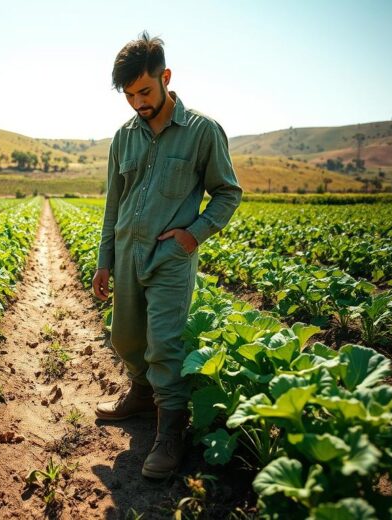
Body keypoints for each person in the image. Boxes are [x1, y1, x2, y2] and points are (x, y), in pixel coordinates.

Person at [92, 31, 242, 479]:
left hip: (170, 259)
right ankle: (140, 396)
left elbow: (227, 194)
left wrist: (192, 235)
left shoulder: (202, 132)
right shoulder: (124, 137)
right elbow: (113, 204)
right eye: (129, 95)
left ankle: (169, 433)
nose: (138, 102)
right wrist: (104, 260)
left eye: (145, 91)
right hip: (126, 254)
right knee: (124, 339)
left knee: (165, 346)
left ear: (166, 77)